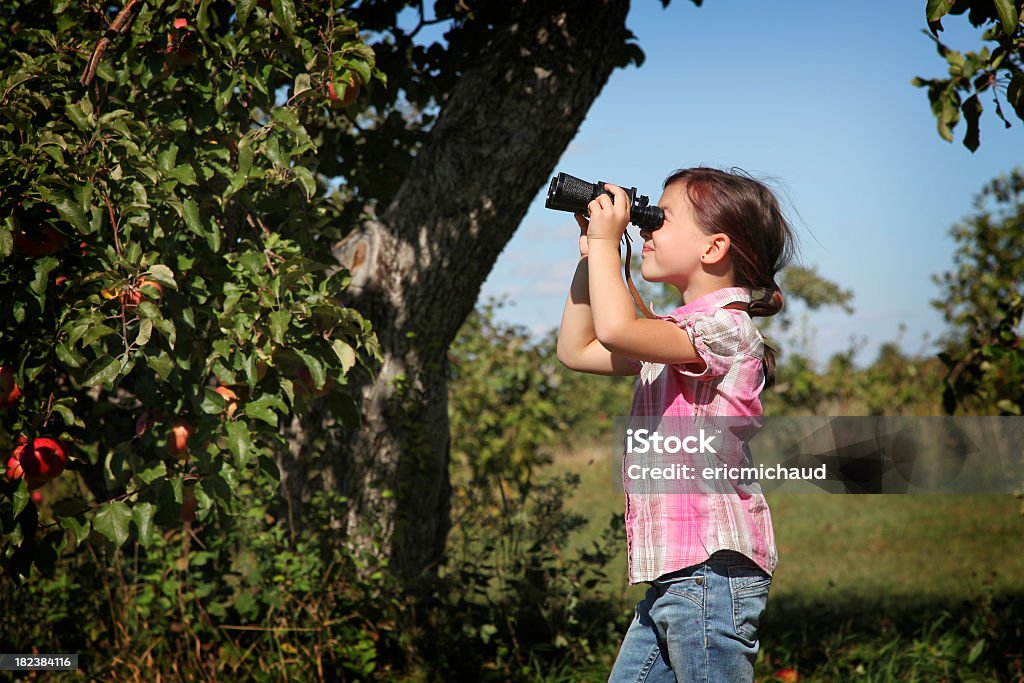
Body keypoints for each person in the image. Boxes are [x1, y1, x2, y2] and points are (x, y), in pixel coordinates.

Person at [556, 167, 795, 682]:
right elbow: (577, 350)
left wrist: (605, 242)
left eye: (661, 219)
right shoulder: (672, 336)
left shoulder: (725, 330)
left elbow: (617, 329)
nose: (645, 229)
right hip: (675, 578)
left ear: (713, 248)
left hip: (713, 572)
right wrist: (589, 257)